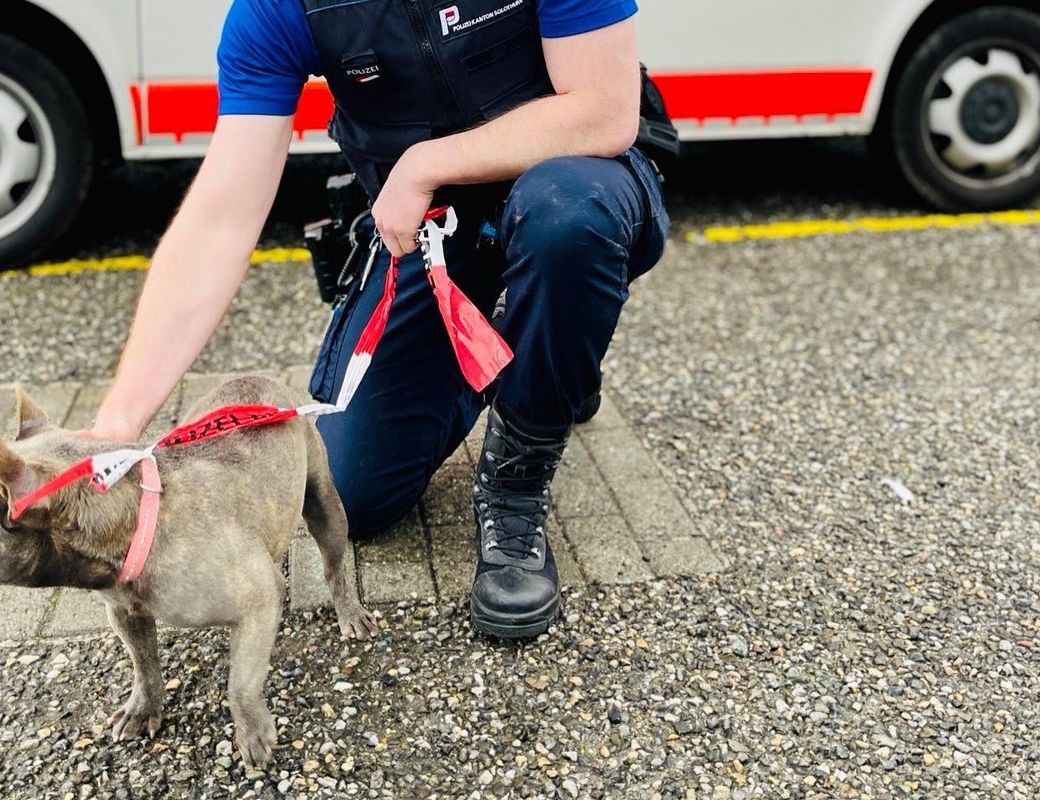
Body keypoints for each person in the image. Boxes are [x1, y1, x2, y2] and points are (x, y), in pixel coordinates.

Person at [87, 0, 671, 640]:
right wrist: (116, 424)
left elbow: (603, 110)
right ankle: (544, 347)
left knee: (564, 222)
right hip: (430, 237)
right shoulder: (277, 10)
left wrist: (424, 163)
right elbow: (218, 223)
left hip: (577, 189)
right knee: (351, 494)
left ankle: (516, 482)